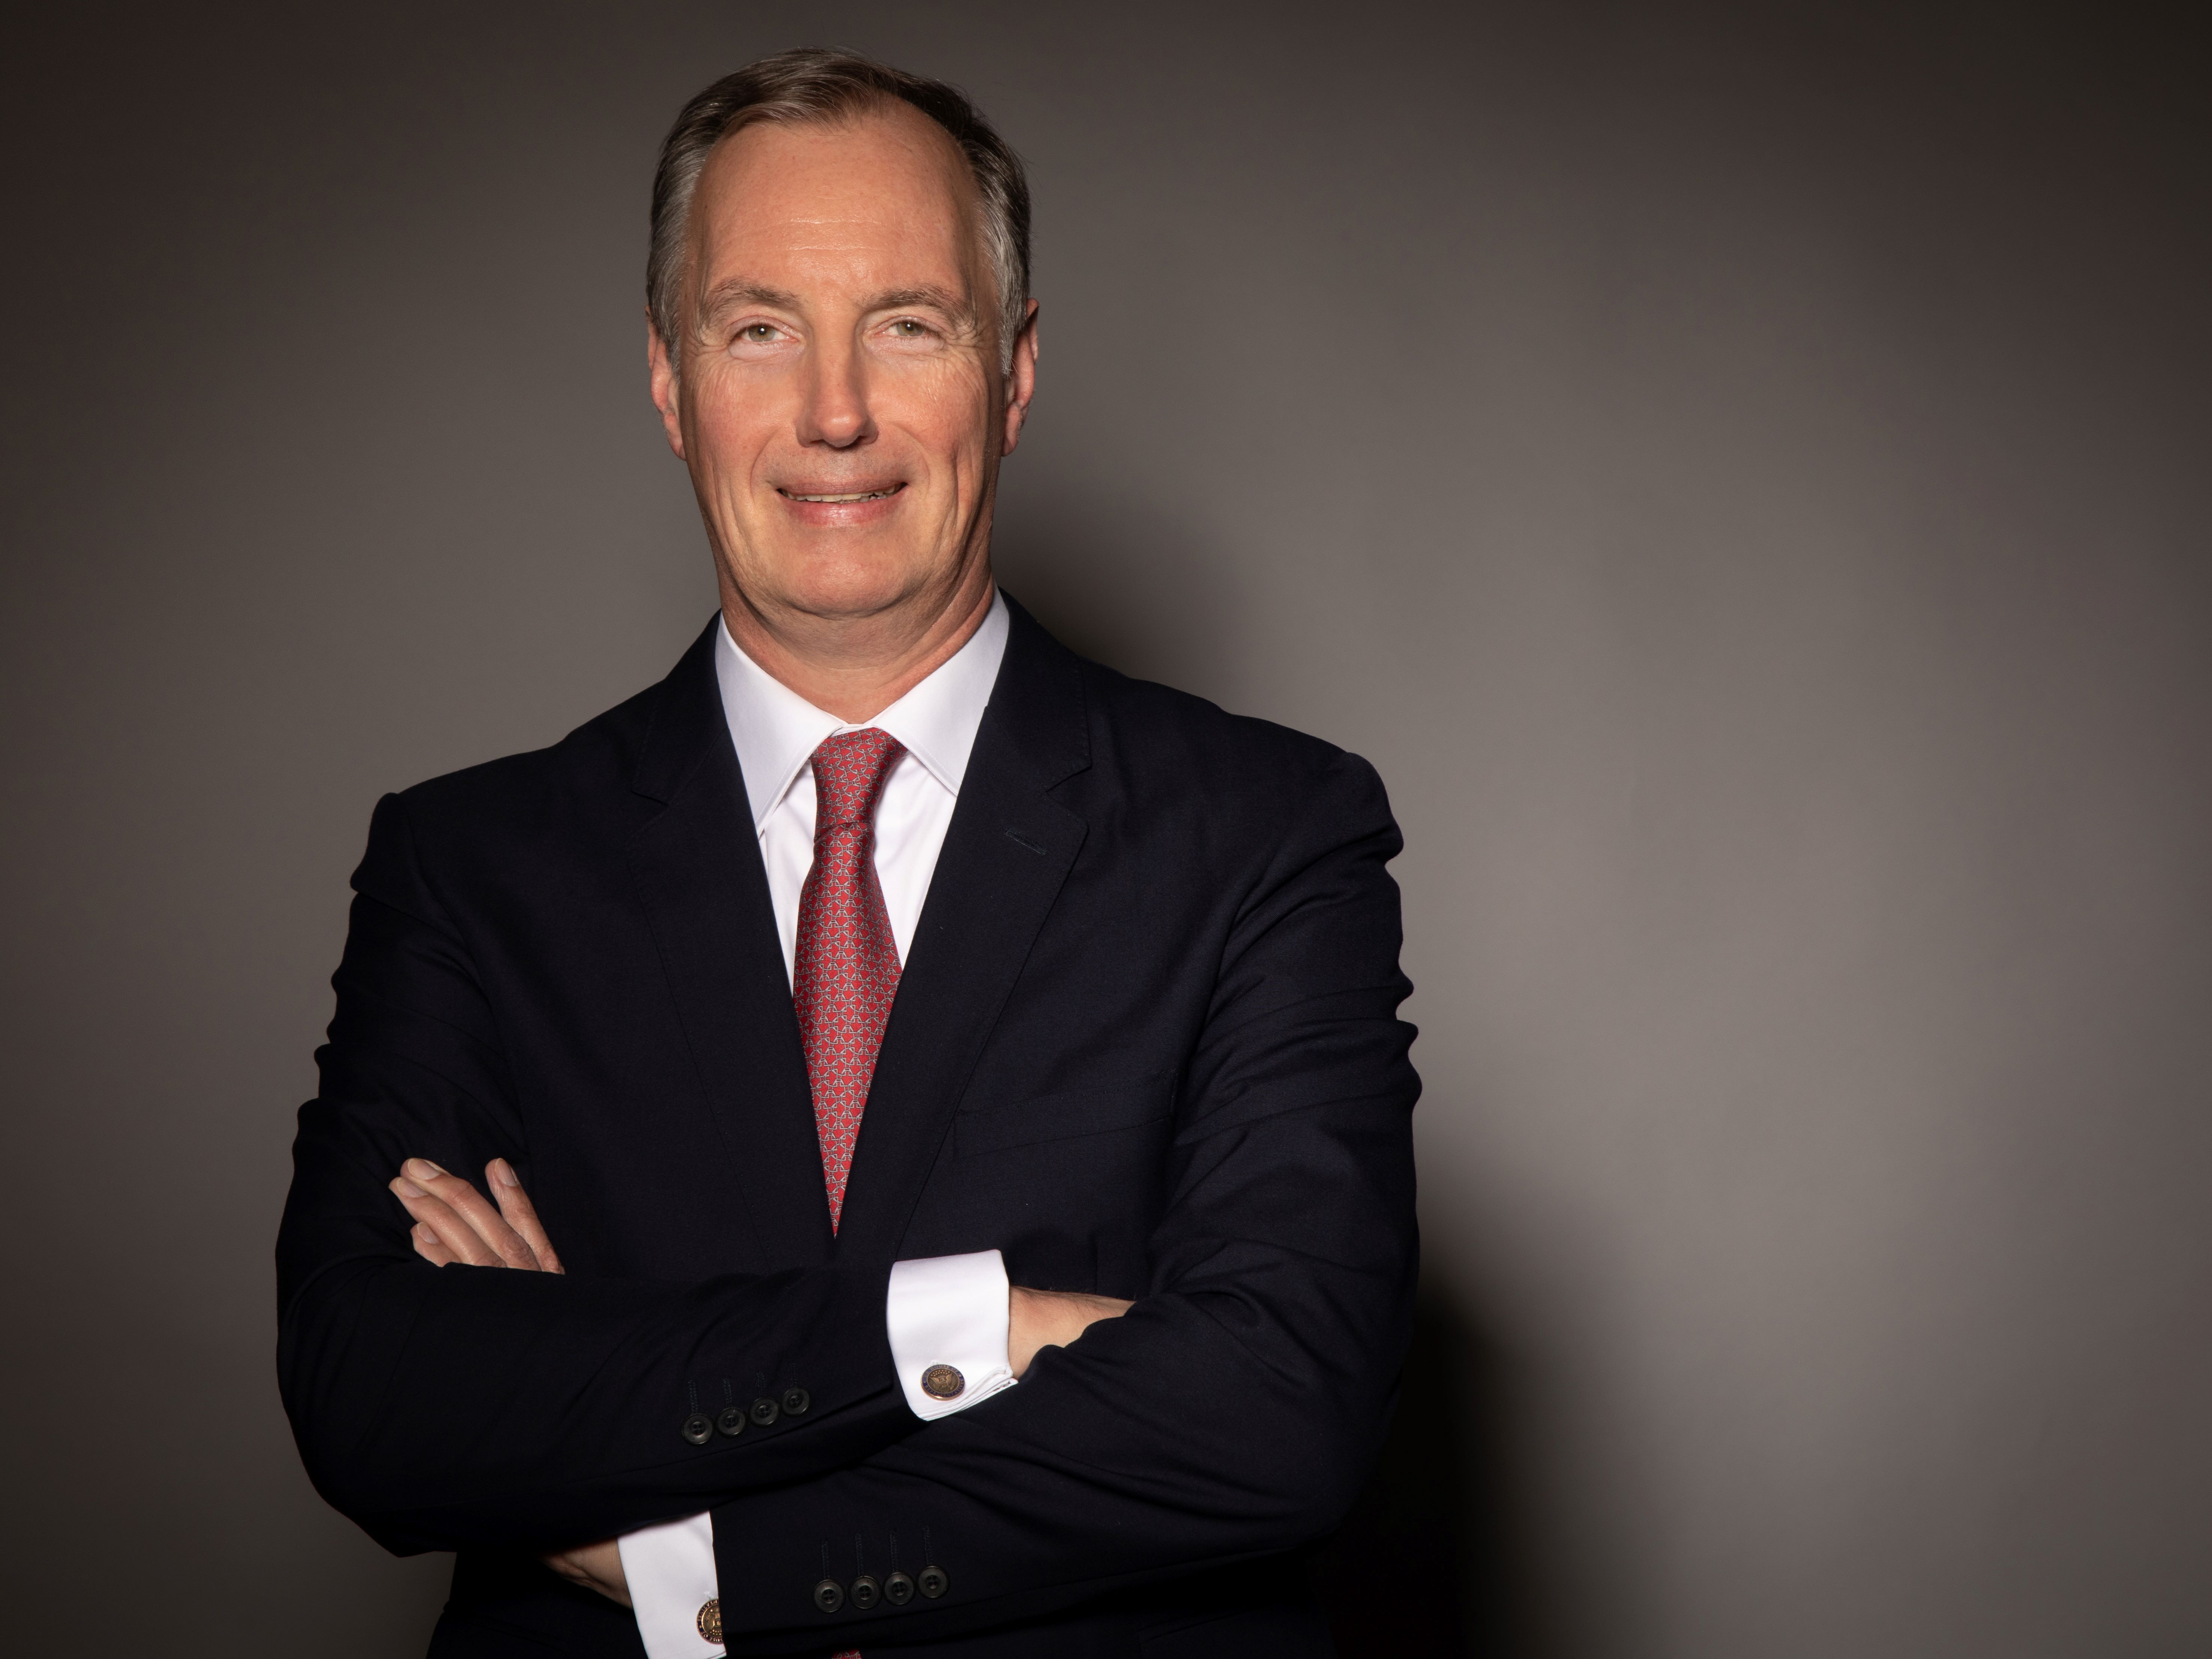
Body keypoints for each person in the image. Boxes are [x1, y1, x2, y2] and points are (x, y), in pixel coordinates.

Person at [276, 48, 1418, 1659]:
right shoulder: (469, 869)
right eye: (758, 329)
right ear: (669, 381)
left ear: (1012, 376)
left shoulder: (1266, 836)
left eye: (907, 325)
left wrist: (691, 1556)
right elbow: (376, 1395)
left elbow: (1277, 1404)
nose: (833, 413)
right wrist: (977, 1329)